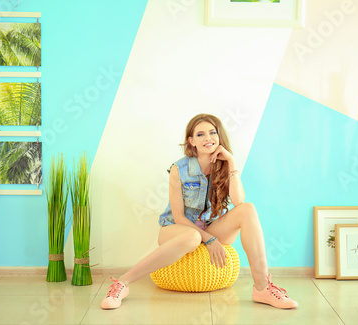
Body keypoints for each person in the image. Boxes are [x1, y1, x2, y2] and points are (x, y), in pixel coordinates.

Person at [101, 113, 298, 310]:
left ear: (219, 137)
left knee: (248, 210)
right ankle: (122, 284)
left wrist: (231, 163)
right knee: (193, 237)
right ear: (191, 141)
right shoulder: (179, 169)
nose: (208, 138)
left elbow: (239, 201)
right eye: (200, 134)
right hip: (177, 229)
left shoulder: (224, 165)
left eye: (212, 133)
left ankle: (263, 288)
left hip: (211, 227)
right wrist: (209, 239)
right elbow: (178, 217)